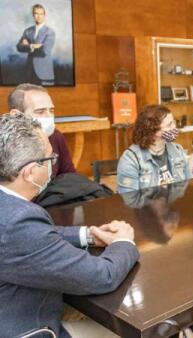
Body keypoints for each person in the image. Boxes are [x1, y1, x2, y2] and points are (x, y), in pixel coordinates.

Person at [0, 112, 139, 338]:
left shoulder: (11, 211)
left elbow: (34, 239)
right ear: (29, 172)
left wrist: (88, 235)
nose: (54, 165)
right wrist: (124, 241)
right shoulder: (19, 221)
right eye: (49, 160)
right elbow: (103, 276)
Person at [117, 104, 192, 193]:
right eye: (169, 125)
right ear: (153, 130)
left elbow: (189, 185)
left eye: (174, 122)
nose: (174, 127)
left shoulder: (177, 150)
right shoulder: (130, 159)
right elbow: (129, 199)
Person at [8, 83, 75, 178]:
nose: (49, 116)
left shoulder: (56, 136)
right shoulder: (4, 144)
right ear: (16, 115)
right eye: (40, 112)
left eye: (51, 110)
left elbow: (70, 177)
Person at [16, 4, 56, 85]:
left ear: (44, 15)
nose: (39, 16)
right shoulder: (27, 31)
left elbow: (45, 51)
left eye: (41, 14)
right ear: (33, 15)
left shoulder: (50, 32)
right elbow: (19, 47)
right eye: (36, 13)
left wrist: (28, 45)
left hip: (44, 73)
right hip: (29, 71)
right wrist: (33, 46)